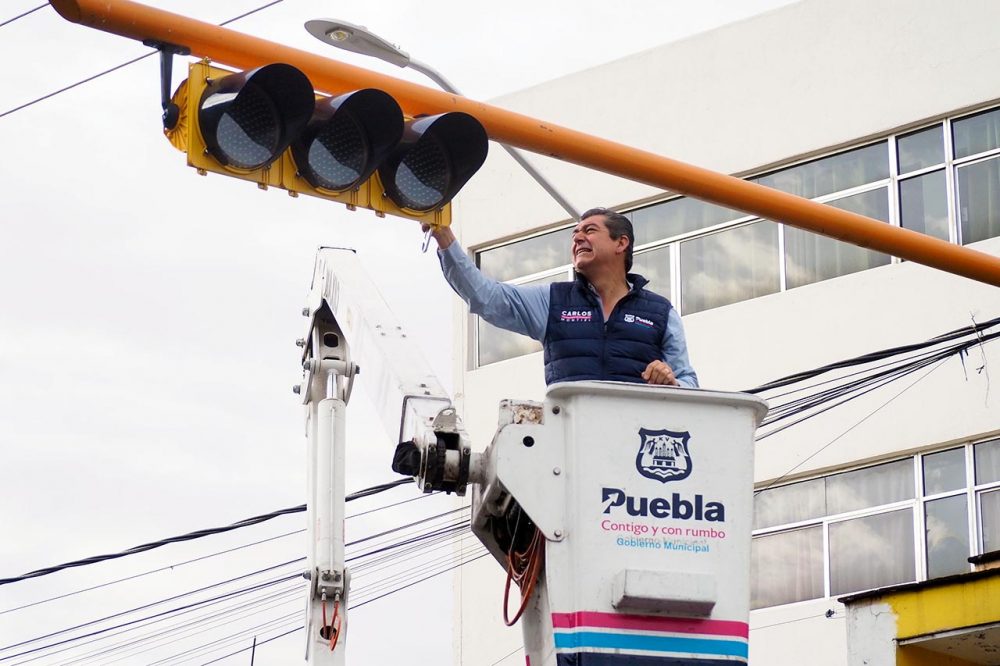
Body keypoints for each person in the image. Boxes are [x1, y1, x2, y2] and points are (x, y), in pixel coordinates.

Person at [426, 207, 698, 387]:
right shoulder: (553, 301)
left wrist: (671, 382)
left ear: (621, 243)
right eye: (574, 234)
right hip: (570, 446)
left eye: (589, 231)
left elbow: (689, 382)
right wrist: (443, 235)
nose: (577, 238)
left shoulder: (661, 312)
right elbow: (486, 297)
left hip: (636, 447)